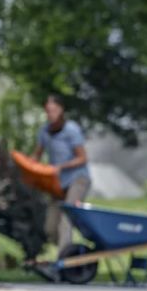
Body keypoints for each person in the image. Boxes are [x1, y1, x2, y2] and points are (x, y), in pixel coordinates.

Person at [32, 94, 91, 251]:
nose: (50, 114)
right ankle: (69, 253)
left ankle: (63, 263)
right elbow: (36, 156)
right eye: (48, 111)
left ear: (61, 110)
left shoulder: (71, 130)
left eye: (53, 110)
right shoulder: (44, 131)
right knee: (50, 227)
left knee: (66, 219)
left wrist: (61, 167)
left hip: (77, 179)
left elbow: (82, 158)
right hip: (57, 183)